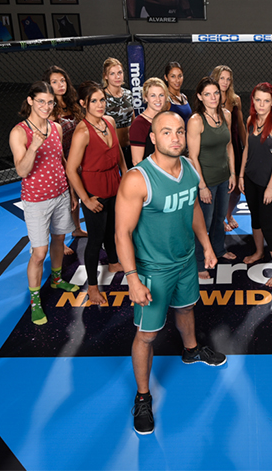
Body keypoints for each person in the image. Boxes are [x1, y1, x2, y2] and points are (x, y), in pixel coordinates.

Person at [116, 111, 226, 435]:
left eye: (179, 131)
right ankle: (143, 397)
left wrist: (206, 245)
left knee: (187, 307)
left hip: (185, 259)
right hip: (153, 268)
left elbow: (193, 207)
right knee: (147, 335)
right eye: (166, 132)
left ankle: (191, 350)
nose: (175, 138)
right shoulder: (138, 179)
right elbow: (122, 233)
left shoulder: (189, 167)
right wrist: (132, 278)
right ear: (153, 138)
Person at [8, 81, 80, 326]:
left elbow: (62, 161)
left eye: (50, 102)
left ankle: (57, 279)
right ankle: (35, 300)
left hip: (60, 194)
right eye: (41, 101)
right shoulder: (19, 132)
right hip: (36, 200)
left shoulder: (56, 127)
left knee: (59, 238)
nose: (46, 107)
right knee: (39, 253)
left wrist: (71, 192)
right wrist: (34, 147)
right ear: (30, 101)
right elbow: (22, 170)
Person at [66, 82, 127, 306]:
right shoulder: (82, 132)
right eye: (94, 101)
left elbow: (118, 150)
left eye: (102, 100)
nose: (100, 105)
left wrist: (126, 173)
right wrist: (86, 198)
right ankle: (92, 287)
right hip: (94, 189)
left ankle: (113, 262)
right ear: (83, 103)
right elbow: (71, 169)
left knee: (111, 229)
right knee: (95, 239)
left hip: (114, 183)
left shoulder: (109, 121)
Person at [238, 82, 272, 287]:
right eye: (258, 100)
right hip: (251, 179)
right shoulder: (251, 120)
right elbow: (247, 150)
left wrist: (270, 187)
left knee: (268, 226)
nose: (261, 104)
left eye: (266, 101)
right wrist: (241, 175)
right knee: (255, 219)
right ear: (253, 100)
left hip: (268, 183)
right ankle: (259, 252)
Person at [187, 77, 237, 279]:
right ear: (200, 97)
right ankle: (198, 262)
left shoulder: (226, 115)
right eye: (207, 94)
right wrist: (202, 186)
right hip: (206, 181)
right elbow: (193, 156)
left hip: (224, 178)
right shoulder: (196, 121)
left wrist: (232, 173)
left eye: (216, 93)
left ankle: (219, 249)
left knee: (219, 218)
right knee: (203, 224)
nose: (213, 97)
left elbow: (229, 146)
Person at [43, 66, 87, 248]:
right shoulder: (47, 108)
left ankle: (76, 228)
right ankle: (59, 240)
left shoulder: (72, 104)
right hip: (57, 158)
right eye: (54, 82)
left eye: (62, 81)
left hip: (76, 155)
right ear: (48, 85)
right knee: (62, 199)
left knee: (75, 192)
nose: (60, 85)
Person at [212, 65, 247, 232]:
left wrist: (247, 147)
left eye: (228, 79)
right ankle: (219, 219)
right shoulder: (210, 99)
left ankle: (228, 213)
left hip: (234, 147)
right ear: (215, 79)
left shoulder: (235, 99)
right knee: (220, 187)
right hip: (217, 148)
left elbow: (240, 125)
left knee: (237, 189)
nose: (225, 82)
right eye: (222, 78)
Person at [102, 57, 135, 169]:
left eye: (120, 72)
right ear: (106, 76)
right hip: (112, 149)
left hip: (131, 147)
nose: (117, 77)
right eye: (112, 73)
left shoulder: (128, 94)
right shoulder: (102, 97)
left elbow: (133, 119)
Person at [130, 77, 169, 165]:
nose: (158, 99)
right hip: (150, 171)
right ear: (146, 97)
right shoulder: (139, 124)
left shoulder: (166, 118)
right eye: (153, 95)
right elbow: (137, 161)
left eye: (161, 95)